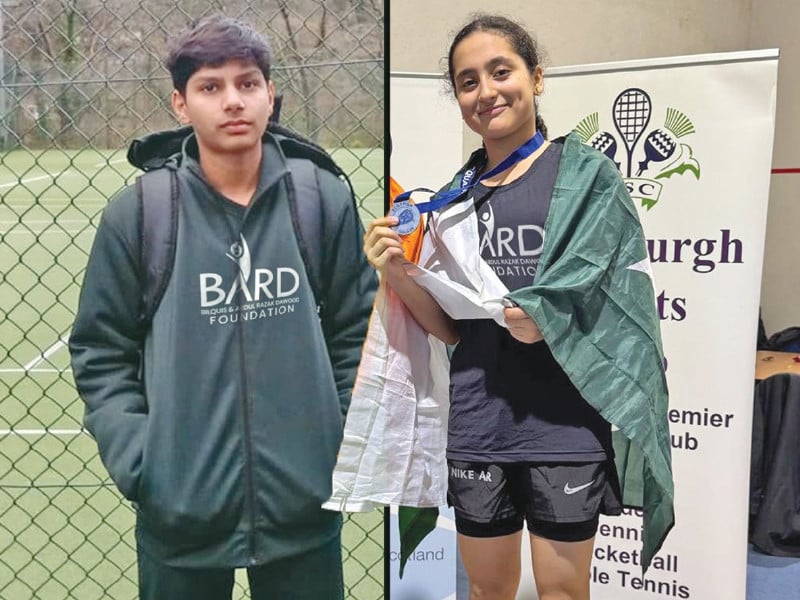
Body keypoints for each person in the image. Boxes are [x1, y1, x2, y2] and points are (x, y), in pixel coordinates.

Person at [69, 15, 377, 600]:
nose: (232, 101)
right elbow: (100, 349)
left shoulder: (320, 198)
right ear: (181, 105)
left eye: (247, 83)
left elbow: (356, 331)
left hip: (303, 506)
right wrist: (144, 462)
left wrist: (332, 437)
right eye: (211, 87)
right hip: (180, 511)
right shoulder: (140, 214)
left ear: (270, 96)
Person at [366, 14, 673, 600]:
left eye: (500, 71)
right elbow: (452, 330)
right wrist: (396, 270)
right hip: (480, 422)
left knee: (561, 591)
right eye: (467, 81)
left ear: (535, 77)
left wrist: (552, 321)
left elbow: (618, 308)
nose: (486, 91)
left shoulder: (588, 179)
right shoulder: (451, 201)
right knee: (487, 591)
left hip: (565, 425)